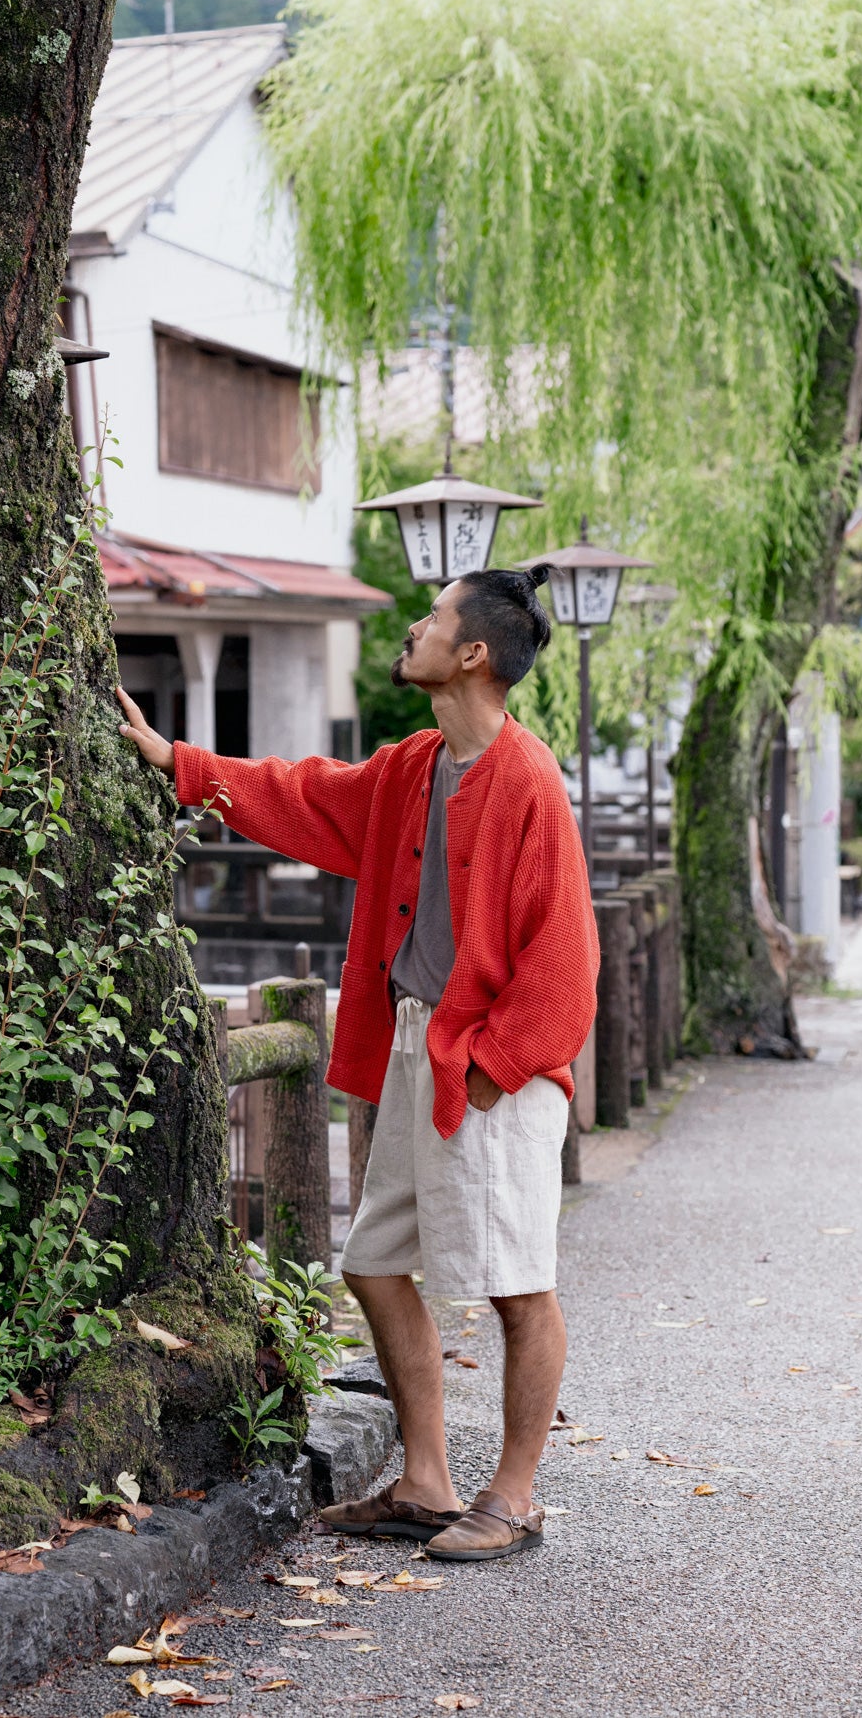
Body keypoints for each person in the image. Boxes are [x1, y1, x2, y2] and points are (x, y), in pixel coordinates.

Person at [117, 568, 598, 1562]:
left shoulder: (529, 780)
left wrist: (497, 1067)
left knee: (518, 1284)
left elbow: (566, 962)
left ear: (472, 654)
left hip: (490, 1070)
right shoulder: (415, 766)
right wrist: (180, 761)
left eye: (433, 617)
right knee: (375, 1263)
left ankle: (514, 1497)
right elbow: (307, 795)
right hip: (426, 1052)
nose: (413, 626)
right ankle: (426, 1480)